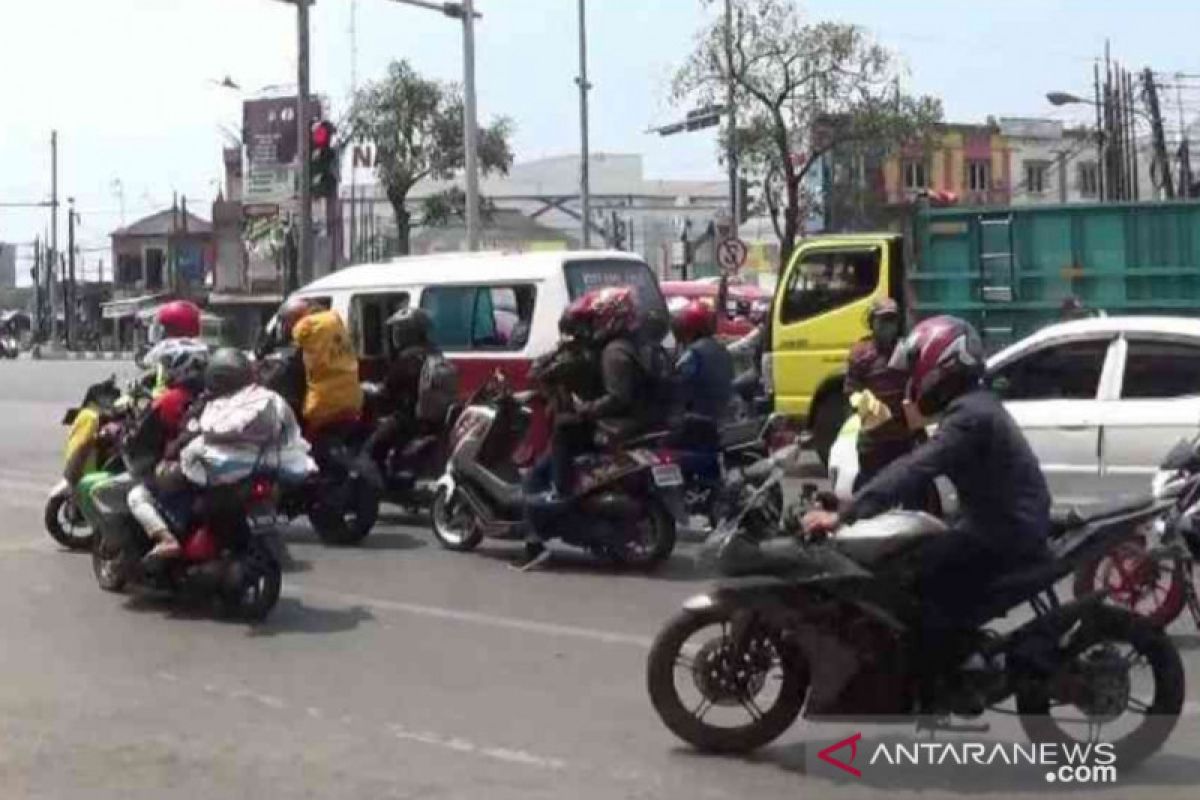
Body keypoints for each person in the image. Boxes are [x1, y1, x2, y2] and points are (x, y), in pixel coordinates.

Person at [802, 315, 1052, 712]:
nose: (915, 378)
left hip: (1002, 530)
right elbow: (913, 460)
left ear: (944, 364)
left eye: (919, 367)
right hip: (995, 520)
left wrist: (848, 513)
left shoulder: (970, 417)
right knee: (916, 553)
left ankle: (953, 674)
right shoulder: (972, 407)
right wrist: (851, 501)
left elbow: (918, 467)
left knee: (914, 580)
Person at [519, 287, 667, 570]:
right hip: (643, 420)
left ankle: (560, 493)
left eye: (594, 320)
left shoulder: (612, 352)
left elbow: (616, 397)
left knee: (562, 433)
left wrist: (585, 409)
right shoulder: (639, 344)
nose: (593, 326)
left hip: (620, 423)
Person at [364, 307, 440, 466]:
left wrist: (365, 388)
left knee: (370, 450)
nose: (395, 334)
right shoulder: (435, 352)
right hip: (432, 419)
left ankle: (380, 486)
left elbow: (386, 391)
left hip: (407, 419)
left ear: (409, 332)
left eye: (399, 329)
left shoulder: (408, 358)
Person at [671, 299, 734, 423]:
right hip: (721, 415)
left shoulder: (694, 353)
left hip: (698, 419)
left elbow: (677, 381)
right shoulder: (721, 349)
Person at [138, 300, 208, 395]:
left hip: (169, 397)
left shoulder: (167, 346)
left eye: (165, 327)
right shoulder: (202, 347)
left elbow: (147, 362)